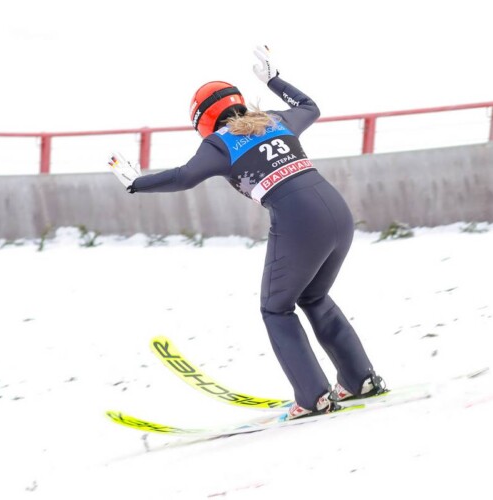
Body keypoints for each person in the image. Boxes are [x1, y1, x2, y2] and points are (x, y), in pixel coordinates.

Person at [109, 45, 386, 419]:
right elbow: (310, 107)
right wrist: (273, 79)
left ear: (202, 121)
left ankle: (313, 395)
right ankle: (359, 379)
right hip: (337, 211)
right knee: (314, 296)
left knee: (276, 308)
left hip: (299, 223)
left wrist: (137, 183)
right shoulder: (275, 119)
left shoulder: (219, 143)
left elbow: (184, 176)